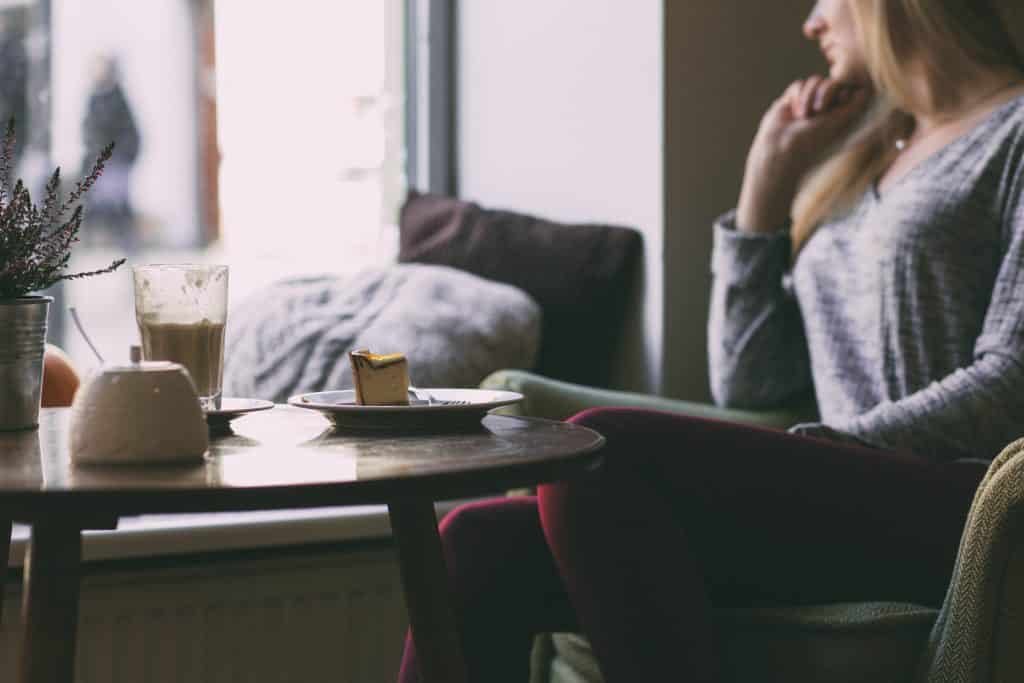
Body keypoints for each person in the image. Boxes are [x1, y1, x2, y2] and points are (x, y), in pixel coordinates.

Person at [398, 1, 1024, 681]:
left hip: (967, 503)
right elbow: (755, 385)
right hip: (834, 489)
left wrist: (824, 449)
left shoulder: (1012, 132)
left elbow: (1012, 379)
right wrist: (766, 187)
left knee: (603, 449)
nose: (812, 24)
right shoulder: (872, 147)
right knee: (473, 543)